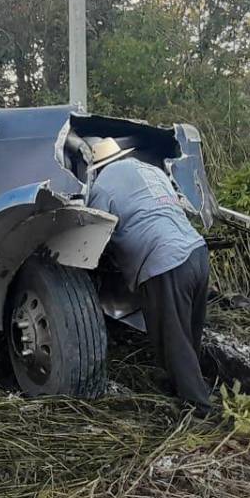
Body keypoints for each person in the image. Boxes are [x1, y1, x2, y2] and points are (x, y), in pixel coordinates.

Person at [86, 138, 212, 414]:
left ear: (96, 167)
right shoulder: (151, 171)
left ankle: (200, 410)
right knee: (190, 332)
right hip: (197, 251)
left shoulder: (102, 184)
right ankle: (187, 384)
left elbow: (95, 233)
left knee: (172, 338)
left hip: (164, 261)